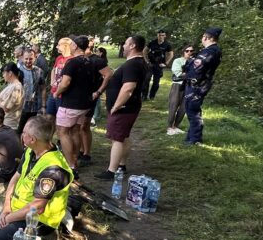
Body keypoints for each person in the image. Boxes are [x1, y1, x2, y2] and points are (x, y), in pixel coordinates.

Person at [94, 36, 148, 180]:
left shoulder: (133, 64)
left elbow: (128, 88)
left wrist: (116, 106)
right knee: (124, 136)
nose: (123, 46)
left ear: (132, 46)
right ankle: (122, 165)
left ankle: (111, 171)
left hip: (123, 108)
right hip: (129, 107)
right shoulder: (137, 62)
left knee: (117, 138)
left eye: (125, 43)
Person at [54, 35, 95, 174]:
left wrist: (56, 92)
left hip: (70, 104)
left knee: (63, 132)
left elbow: (65, 83)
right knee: (76, 130)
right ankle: (75, 159)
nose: (69, 46)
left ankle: (70, 164)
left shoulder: (72, 62)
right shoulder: (89, 61)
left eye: (71, 44)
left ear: (75, 46)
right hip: (85, 104)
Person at [183, 28, 223, 145]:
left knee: (193, 111)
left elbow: (196, 69)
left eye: (203, 36)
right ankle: (190, 137)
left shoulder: (209, 52)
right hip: (201, 84)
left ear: (207, 38)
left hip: (197, 85)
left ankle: (195, 139)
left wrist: (187, 70)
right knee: (192, 110)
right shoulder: (214, 50)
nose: (202, 39)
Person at [166, 45, 194, 135]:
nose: (189, 52)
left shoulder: (194, 61)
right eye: (187, 51)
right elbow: (178, 73)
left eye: (191, 51)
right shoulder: (177, 61)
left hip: (189, 86)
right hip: (178, 85)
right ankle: (169, 127)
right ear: (183, 51)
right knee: (173, 106)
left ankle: (176, 126)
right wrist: (191, 74)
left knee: (184, 107)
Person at [16, 49, 44, 135]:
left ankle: (27, 147)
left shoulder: (39, 71)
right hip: (20, 107)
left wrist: (43, 105)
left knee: (31, 130)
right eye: (26, 58)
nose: (28, 61)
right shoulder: (18, 71)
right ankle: (18, 147)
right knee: (19, 130)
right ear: (22, 58)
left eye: (30, 59)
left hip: (34, 106)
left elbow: (42, 88)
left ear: (35, 58)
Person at [0, 62, 23, 129]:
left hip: (8, 125)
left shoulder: (16, 87)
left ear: (10, 73)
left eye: (4, 73)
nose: (3, 75)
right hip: (5, 123)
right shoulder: (12, 85)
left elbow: (6, 108)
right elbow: (8, 98)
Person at [45, 37, 73, 117]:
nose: (57, 47)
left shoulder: (72, 60)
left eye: (59, 45)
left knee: (60, 119)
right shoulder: (59, 58)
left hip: (63, 96)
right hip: (53, 92)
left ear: (65, 46)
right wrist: (52, 81)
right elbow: (53, 69)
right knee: (49, 116)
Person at [146, 29, 174, 101]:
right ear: (157, 35)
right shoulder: (152, 42)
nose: (161, 37)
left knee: (156, 82)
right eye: (159, 35)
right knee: (146, 79)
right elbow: (144, 51)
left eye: (162, 35)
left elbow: (171, 54)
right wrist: (146, 61)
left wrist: (166, 63)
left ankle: (152, 96)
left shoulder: (167, 44)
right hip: (150, 64)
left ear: (165, 36)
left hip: (159, 65)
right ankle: (144, 96)